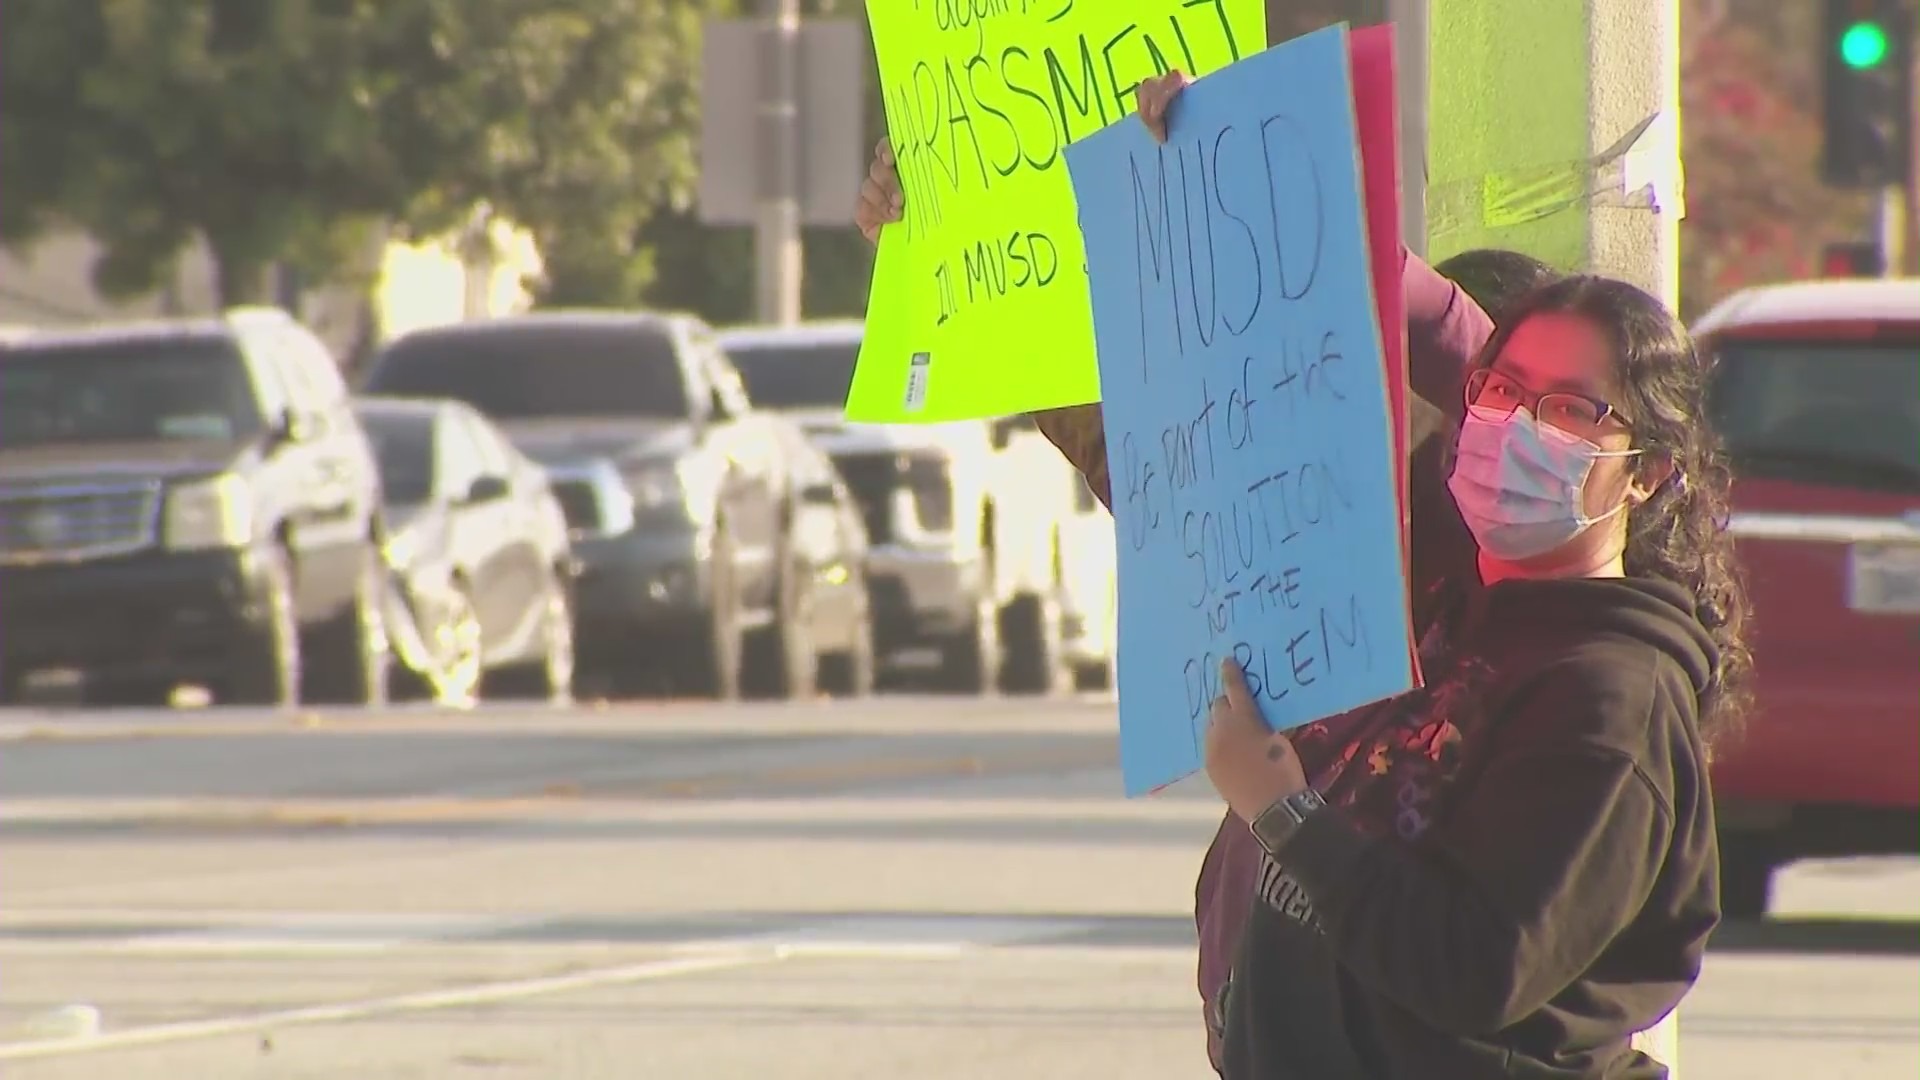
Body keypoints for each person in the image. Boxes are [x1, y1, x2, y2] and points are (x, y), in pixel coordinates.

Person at [1202, 269, 1752, 1078]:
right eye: (1501, 391)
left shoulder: (1611, 703)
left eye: (1568, 410)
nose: (1517, 428)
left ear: (1648, 472)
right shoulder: (1454, 617)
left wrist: (1285, 816)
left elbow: (1479, 969)